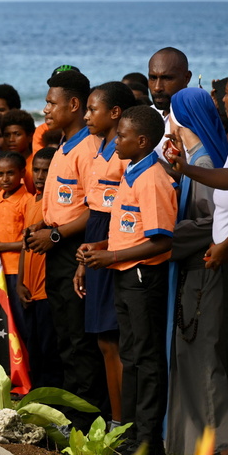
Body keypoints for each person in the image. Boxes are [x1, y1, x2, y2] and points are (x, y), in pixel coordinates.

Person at [78, 105, 177, 455]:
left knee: (146, 359)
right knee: (131, 355)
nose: (116, 140)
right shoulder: (132, 170)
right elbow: (129, 230)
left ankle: (149, 439)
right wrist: (100, 246)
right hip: (123, 274)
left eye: (122, 135)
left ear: (143, 140)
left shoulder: (152, 178)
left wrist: (112, 256)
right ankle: (132, 433)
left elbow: (162, 239)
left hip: (141, 277)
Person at [25, 69, 108, 430]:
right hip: (55, 247)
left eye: (51, 103)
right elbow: (64, 200)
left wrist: (56, 236)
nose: (45, 110)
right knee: (64, 336)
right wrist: (43, 224)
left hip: (76, 248)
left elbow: (95, 208)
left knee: (78, 340)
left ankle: (87, 420)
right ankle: (72, 412)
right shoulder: (64, 143)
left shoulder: (89, 147)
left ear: (74, 105)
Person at [162, 86, 228, 455]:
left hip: (202, 271)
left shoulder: (205, 163)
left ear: (180, 118)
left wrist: (161, 237)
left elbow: (211, 225)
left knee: (202, 361)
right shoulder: (195, 158)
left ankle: (219, 442)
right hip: (195, 272)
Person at [72, 81, 137, 430]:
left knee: (113, 339)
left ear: (114, 113)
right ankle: (115, 419)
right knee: (102, 340)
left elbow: (122, 209)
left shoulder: (123, 155)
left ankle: (124, 423)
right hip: (96, 234)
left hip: (114, 238)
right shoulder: (99, 148)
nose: (86, 116)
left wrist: (105, 248)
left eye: (92, 109)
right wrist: (84, 262)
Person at [17, 146, 63, 388]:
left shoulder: (54, 203)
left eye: (46, 170)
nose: (40, 175)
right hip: (30, 287)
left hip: (47, 289)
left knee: (49, 347)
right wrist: (20, 281)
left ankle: (52, 397)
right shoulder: (29, 201)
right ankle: (37, 393)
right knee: (33, 345)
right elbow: (26, 244)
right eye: (36, 169)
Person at [0, 151, 32, 357]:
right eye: (0, 174)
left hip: (18, 271)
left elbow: (28, 242)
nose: (4, 178)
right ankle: (9, 369)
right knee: (3, 322)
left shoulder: (27, 200)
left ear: (22, 173)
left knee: (22, 323)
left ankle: (27, 371)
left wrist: (0, 247)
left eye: (10, 173)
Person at [148, 47, 191, 160]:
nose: (157, 88)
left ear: (187, 78)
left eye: (167, 78)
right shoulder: (147, 116)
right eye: (153, 78)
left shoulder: (196, 121)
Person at [0, 109, 36, 193]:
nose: (11, 139)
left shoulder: (35, 165)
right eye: (7, 135)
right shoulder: (2, 164)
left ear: (30, 137)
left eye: (17, 134)